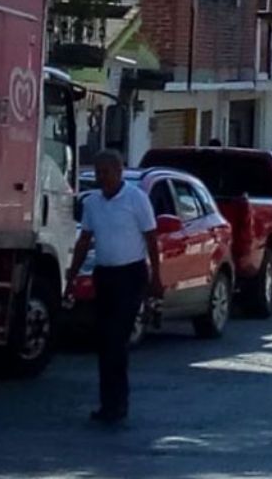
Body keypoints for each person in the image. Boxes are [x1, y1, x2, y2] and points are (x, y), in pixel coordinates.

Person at [65, 150, 163, 423]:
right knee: (104, 340)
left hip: (130, 276)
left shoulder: (136, 199)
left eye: (105, 173)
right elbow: (85, 240)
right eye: (97, 173)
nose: (101, 179)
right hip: (105, 276)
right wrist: (72, 276)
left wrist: (157, 276)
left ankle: (119, 403)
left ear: (119, 172)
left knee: (116, 339)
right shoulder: (93, 203)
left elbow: (152, 238)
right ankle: (107, 402)